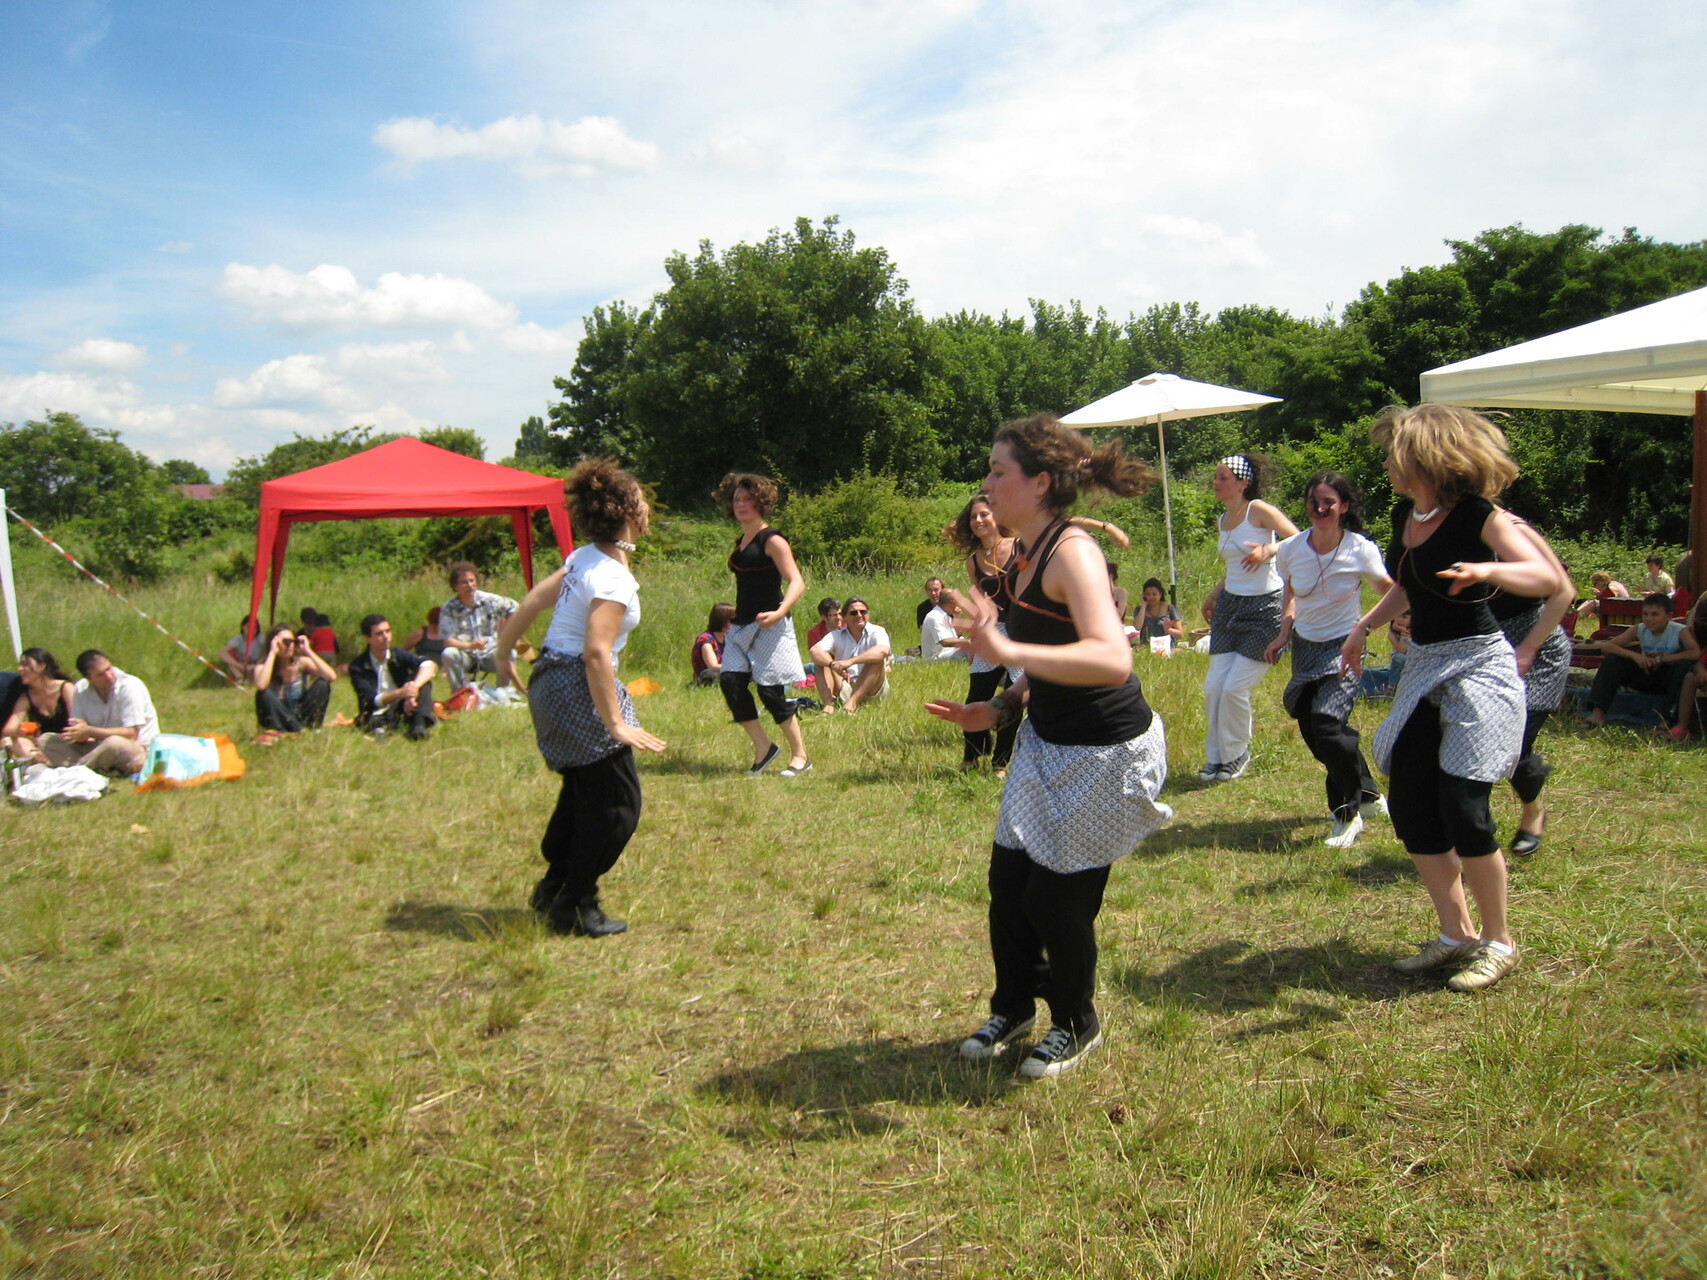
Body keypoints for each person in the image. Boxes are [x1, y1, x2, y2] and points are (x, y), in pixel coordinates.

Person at [927, 414, 1170, 1080]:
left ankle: (1074, 1021)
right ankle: (1013, 1007)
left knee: (1056, 901)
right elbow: (1049, 657)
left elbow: (1110, 658)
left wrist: (1006, 651)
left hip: (1105, 751)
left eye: (997, 471)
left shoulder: (1072, 554)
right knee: (1008, 886)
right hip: (1046, 739)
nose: (985, 485)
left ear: (1038, 483)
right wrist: (1002, 705)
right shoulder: (1023, 557)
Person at [1341, 403, 1563, 993]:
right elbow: (1407, 585)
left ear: (1424, 458)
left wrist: (1488, 572)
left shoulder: (1477, 516)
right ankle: (1455, 933)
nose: (1386, 465)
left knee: (1463, 805)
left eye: (1394, 455)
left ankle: (1499, 941)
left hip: (1480, 663)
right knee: (1412, 801)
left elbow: (1545, 578)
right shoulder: (1405, 514)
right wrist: (1363, 626)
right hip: (1426, 663)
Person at [496, 458, 665, 937]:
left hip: (553, 681)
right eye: (642, 500)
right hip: (576, 686)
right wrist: (615, 723)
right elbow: (595, 652)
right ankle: (574, 903)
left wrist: (503, 651)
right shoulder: (612, 576)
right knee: (617, 805)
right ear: (628, 511)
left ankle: (554, 886)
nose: (648, 507)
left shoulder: (584, 558)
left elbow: (533, 600)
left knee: (584, 795)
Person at [1264, 472, 1393, 847]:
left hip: (1344, 647)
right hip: (1305, 647)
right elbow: (1290, 591)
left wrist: (1367, 628)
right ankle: (1368, 793)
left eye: (1328, 503)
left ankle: (1346, 815)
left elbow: (1389, 592)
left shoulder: (1360, 549)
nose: (1319, 509)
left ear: (1344, 507)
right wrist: (1284, 632)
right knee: (1314, 732)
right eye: (1313, 502)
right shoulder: (1291, 549)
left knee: (1327, 724)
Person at [1199, 453, 1299, 782]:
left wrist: (1269, 550)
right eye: (1216, 476)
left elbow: (1298, 538)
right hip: (1230, 606)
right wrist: (1213, 595)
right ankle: (1215, 758)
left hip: (1264, 609)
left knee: (1233, 689)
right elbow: (1235, 567)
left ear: (1243, 483)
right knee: (1214, 687)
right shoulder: (1222, 520)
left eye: (1223, 477)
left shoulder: (1258, 510)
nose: (1216, 482)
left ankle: (1236, 754)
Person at [715, 472, 810, 777]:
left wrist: (780, 612)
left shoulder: (773, 540)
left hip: (772, 626)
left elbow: (796, 581)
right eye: (737, 499)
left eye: (748, 499)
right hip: (741, 626)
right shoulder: (741, 541)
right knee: (731, 683)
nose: (741, 504)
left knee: (770, 693)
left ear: (761, 503)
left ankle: (800, 756)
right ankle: (764, 747)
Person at [1489, 519, 1575, 857]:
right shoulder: (1451, 529)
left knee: (1514, 741)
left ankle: (1533, 810)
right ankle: (1470, 831)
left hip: (1537, 652)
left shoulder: (1513, 530)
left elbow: (1564, 592)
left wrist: (1528, 648)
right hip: (1487, 650)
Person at [1584, 593, 1701, 727]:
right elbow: (1607, 647)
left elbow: (1695, 652)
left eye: (1655, 614)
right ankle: (1598, 714)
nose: (1649, 619)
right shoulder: (1639, 629)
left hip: (1667, 679)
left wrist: (1665, 659)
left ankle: (1668, 720)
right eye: (1645, 614)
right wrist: (1636, 656)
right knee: (1612, 660)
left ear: (1669, 616)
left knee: (1684, 666)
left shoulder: (1679, 630)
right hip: (1645, 674)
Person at [37, 650, 160, 776]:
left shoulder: (130, 686)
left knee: (114, 743)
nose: (109, 676)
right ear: (89, 678)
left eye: (109, 669)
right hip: (99, 747)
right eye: (101, 674)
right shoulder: (81, 689)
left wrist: (89, 731)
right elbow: (80, 730)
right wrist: (78, 734)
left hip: (135, 749)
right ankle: (95, 768)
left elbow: (131, 734)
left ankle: (77, 771)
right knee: (46, 741)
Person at [347, 615, 439, 739]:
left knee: (423, 681)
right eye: (379, 634)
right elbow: (373, 700)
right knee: (376, 723)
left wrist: (413, 689)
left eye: (388, 631)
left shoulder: (397, 654)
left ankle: (418, 727)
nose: (386, 637)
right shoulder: (358, 666)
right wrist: (400, 693)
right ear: (367, 638)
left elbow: (429, 665)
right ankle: (405, 725)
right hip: (377, 714)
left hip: (404, 705)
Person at [439, 562, 519, 689]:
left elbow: (515, 607)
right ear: (455, 586)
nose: (469, 585)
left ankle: (504, 693)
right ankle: (459, 694)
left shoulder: (490, 600)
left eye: (472, 580)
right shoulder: (449, 608)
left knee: (510, 653)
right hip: (466, 655)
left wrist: (509, 634)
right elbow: (447, 641)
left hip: (491, 653)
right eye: (464, 582)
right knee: (448, 654)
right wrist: (470, 645)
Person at [251, 625, 338, 737]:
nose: (290, 646)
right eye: (285, 642)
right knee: (263, 694)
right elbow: (261, 686)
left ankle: (308, 727)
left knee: (322, 684)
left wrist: (308, 651)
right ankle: (294, 729)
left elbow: (331, 676)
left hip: (299, 713)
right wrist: (272, 653)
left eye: (293, 641)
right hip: (279, 717)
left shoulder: (302, 663)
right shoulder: (263, 666)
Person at [810, 596, 892, 712]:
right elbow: (814, 651)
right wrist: (832, 664)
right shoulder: (836, 635)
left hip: (872, 687)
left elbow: (883, 650)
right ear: (845, 617)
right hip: (846, 684)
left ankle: (852, 703)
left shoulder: (877, 631)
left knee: (876, 659)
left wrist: (850, 662)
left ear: (868, 615)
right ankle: (828, 705)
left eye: (863, 612)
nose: (859, 615)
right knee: (820, 663)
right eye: (853, 613)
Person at [2, 647, 76, 763]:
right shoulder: (27, 697)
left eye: (26, 664)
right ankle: (42, 761)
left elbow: (76, 723)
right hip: (45, 745)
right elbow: (8, 730)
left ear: (42, 666)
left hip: (70, 742)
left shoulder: (66, 688)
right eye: (20, 665)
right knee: (14, 740)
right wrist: (29, 731)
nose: (19, 669)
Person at [692, 602, 736, 685]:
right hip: (708, 675)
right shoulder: (706, 639)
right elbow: (713, 666)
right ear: (723, 621)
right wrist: (736, 667)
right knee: (711, 674)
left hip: (725, 671)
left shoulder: (728, 638)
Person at [1132, 578, 1183, 645]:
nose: (1151, 597)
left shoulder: (1170, 609)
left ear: (1160, 594)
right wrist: (1143, 606)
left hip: (1165, 646)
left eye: (1154, 594)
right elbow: (1137, 627)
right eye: (1148, 594)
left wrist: (1169, 630)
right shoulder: (1140, 609)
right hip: (1146, 647)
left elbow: (1180, 634)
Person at [220, 616, 266, 685]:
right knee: (230, 663)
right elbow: (222, 653)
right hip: (243, 665)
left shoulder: (261, 638)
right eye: (248, 627)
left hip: (258, 665)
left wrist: (258, 663)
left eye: (254, 627)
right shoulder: (238, 639)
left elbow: (269, 651)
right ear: (242, 627)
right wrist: (240, 666)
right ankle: (240, 679)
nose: (250, 629)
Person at [919, 596, 963, 662]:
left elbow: (958, 635)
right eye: (957, 603)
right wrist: (967, 642)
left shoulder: (946, 615)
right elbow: (944, 642)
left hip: (946, 651)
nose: (958, 607)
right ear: (952, 602)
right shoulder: (934, 617)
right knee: (968, 649)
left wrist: (957, 618)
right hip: (935, 657)